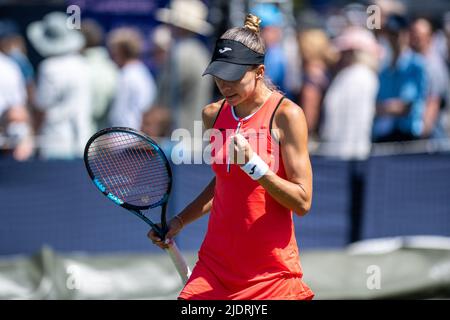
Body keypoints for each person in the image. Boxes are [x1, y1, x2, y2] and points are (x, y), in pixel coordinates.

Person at [148, 13, 314, 300]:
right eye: (219, 75)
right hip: (215, 267)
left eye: (235, 76)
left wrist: (255, 166)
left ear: (259, 72)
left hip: (270, 275)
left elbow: (302, 201)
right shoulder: (213, 114)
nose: (225, 84)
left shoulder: (288, 115)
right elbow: (225, 182)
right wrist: (180, 220)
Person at [27, 11, 92, 159]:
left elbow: (42, 105)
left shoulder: (49, 67)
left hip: (54, 142)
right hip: (83, 140)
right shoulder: (83, 64)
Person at [107, 27, 156, 130]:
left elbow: (119, 114)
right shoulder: (141, 71)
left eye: (114, 52)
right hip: (134, 136)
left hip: (127, 138)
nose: (112, 56)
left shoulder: (128, 75)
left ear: (121, 51)